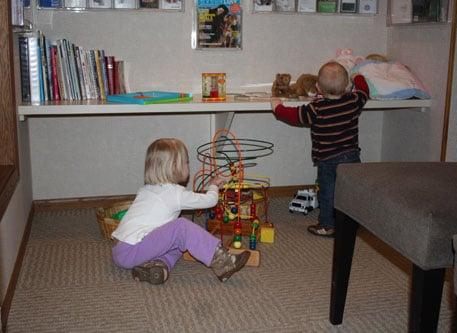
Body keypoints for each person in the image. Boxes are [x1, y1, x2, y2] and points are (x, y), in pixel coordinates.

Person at [111, 138, 251, 284]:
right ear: (173, 167)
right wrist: (213, 186)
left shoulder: (146, 190)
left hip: (121, 250)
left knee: (178, 244)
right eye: (186, 162)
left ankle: (158, 268)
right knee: (181, 227)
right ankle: (223, 262)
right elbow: (210, 201)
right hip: (132, 250)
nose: (188, 166)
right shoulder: (174, 193)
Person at [271, 61, 369, 237]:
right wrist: (358, 77)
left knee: (327, 193)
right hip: (351, 158)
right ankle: (354, 223)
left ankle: (327, 225)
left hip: (327, 160)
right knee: (352, 192)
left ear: (317, 87)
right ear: (347, 86)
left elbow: (294, 116)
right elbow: (364, 92)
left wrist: (277, 107)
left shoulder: (316, 108)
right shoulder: (354, 101)